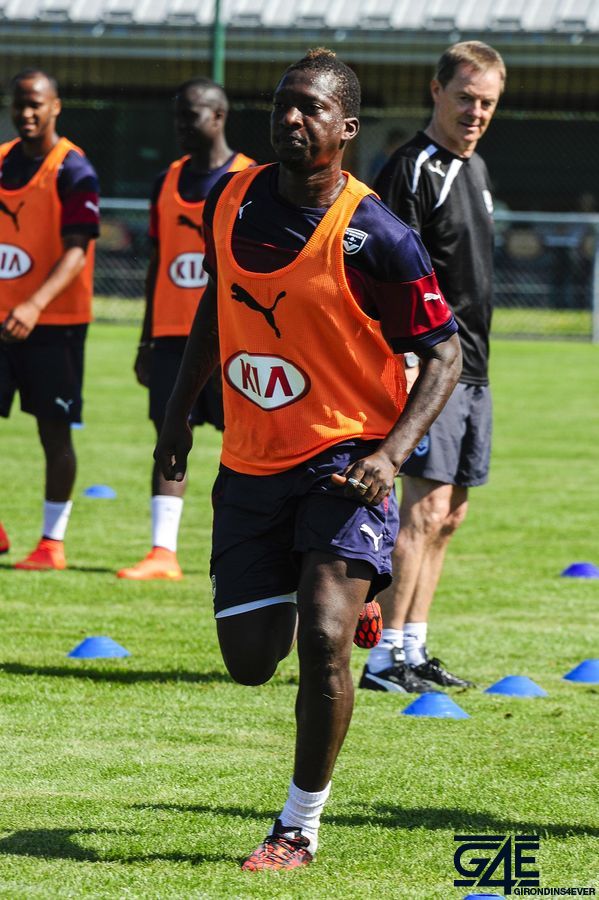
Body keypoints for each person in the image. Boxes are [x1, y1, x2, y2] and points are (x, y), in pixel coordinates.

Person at [155, 48, 461, 870]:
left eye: (311, 108)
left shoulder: (378, 236)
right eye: (282, 104)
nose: (290, 118)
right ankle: (344, 581)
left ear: (346, 128)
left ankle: (297, 827)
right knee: (251, 661)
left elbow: (444, 354)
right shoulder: (229, 199)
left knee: (324, 638)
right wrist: (178, 415)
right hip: (250, 462)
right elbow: (216, 305)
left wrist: (391, 456)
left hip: (345, 459)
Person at [361, 41, 505, 693]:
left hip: (474, 369)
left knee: (449, 515)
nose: (476, 112)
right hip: (432, 367)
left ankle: (414, 649)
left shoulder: (474, 168)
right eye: (465, 98)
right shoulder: (412, 168)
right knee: (421, 510)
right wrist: (412, 359)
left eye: (487, 102)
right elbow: (386, 270)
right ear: (435, 91)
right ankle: (382, 658)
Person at [117, 78, 254, 580]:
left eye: (190, 115)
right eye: (177, 115)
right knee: (169, 434)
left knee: (245, 441)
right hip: (173, 335)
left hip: (232, 335)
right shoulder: (166, 180)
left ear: (218, 116)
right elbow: (158, 262)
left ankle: (244, 545)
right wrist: (146, 337)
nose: (180, 124)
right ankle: (163, 552)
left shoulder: (249, 179)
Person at [0, 69, 99, 570]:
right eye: (19, 103)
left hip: (55, 323)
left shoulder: (73, 169)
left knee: (53, 433)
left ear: (55, 106)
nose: (26, 113)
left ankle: (50, 544)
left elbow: (77, 251)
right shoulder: (1, 160)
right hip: (2, 319)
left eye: (36, 103)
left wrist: (34, 304)